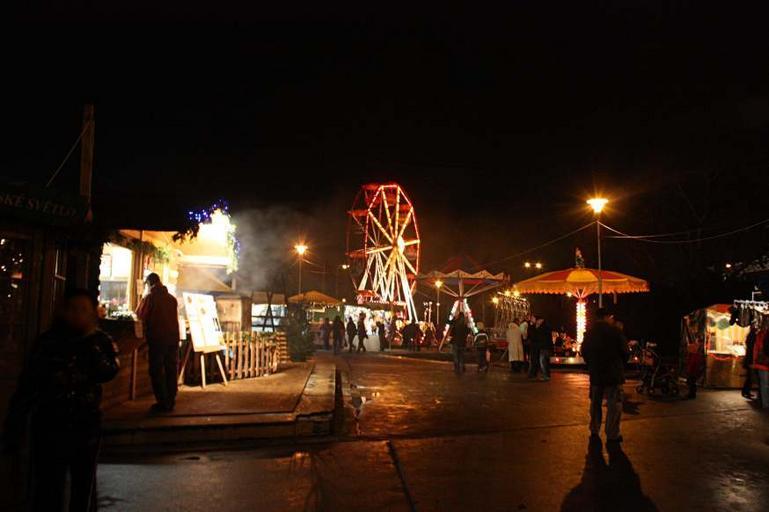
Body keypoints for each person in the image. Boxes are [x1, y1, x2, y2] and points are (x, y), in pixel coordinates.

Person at [3, 289, 120, 512]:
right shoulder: (48, 342)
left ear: (92, 313)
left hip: (85, 423)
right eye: (73, 309)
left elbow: (109, 370)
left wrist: (91, 348)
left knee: (83, 485)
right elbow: (28, 384)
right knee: (48, 484)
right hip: (49, 421)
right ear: (63, 311)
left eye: (83, 310)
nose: (77, 314)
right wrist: (14, 425)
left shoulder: (99, 341)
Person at [581, 308, 628, 443]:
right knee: (614, 405)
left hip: (596, 373)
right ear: (607, 317)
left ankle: (594, 429)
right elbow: (625, 352)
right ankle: (612, 433)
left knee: (595, 403)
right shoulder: (615, 332)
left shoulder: (589, 333)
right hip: (613, 374)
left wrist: (592, 364)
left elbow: (584, 351)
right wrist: (619, 364)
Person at [136, 273, 180, 412]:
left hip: (157, 339)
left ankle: (162, 402)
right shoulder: (172, 299)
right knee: (171, 369)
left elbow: (140, 316)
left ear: (149, 284)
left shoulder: (150, 298)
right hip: (172, 339)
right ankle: (171, 400)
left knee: (156, 370)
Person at [535, 316, 554, 381]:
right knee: (546, 362)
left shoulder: (543, 327)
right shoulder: (547, 326)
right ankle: (547, 375)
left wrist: (537, 327)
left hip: (544, 347)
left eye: (537, 320)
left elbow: (539, 336)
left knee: (543, 362)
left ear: (541, 320)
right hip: (547, 347)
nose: (537, 322)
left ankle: (545, 376)